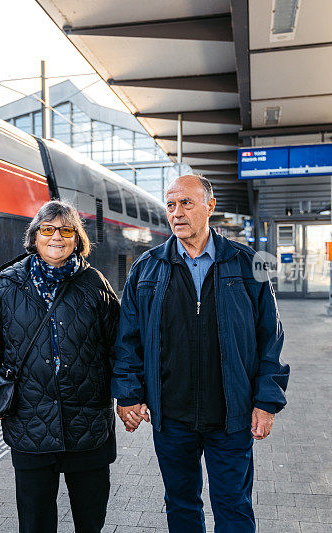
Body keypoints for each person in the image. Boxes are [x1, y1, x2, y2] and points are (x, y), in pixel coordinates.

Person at [112, 175, 290, 533]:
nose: (177, 213)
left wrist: (267, 401)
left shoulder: (246, 263)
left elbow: (270, 337)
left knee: (234, 505)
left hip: (232, 414)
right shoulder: (147, 269)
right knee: (180, 503)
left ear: (210, 206)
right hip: (171, 417)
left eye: (187, 203)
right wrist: (128, 395)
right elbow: (127, 339)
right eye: (171, 205)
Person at [0, 200, 119, 533]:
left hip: (88, 421)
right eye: (47, 229)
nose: (57, 237)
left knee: (90, 519)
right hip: (30, 422)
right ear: (34, 237)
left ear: (77, 238)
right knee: (35, 522)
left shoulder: (95, 284)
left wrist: (128, 397)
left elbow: (119, 347)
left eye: (66, 230)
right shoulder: (8, 287)